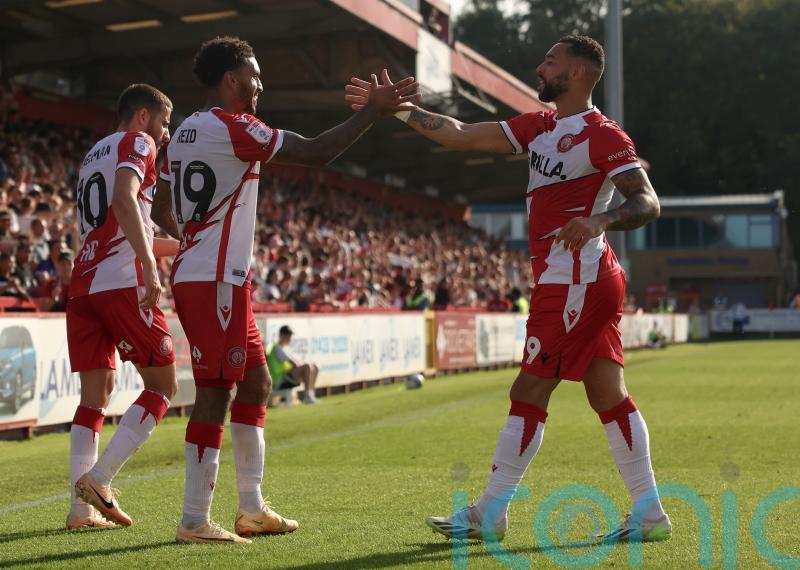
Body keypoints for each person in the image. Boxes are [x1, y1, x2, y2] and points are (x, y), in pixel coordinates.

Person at [347, 36, 670, 543]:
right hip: (576, 280)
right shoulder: (539, 126)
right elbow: (461, 134)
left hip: (575, 281)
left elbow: (648, 203)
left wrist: (598, 219)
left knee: (529, 391)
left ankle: (490, 513)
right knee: (608, 395)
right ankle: (649, 513)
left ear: (581, 73)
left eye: (550, 61)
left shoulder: (603, 135)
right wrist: (402, 112)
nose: (539, 68)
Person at [151, 36, 418, 544]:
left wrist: (195, 232)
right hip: (215, 280)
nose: (259, 85)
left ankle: (251, 508)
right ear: (230, 79)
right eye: (253, 76)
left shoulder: (184, 129)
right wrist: (373, 113)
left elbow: (164, 203)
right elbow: (317, 151)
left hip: (215, 275)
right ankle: (193, 519)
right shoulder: (233, 126)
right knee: (216, 392)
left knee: (256, 385)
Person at [65, 84, 179, 531]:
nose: (166, 134)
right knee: (163, 384)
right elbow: (124, 200)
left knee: (95, 397)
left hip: (85, 284)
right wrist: (150, 267)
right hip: (121, 283)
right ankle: (100, 479)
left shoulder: (93, 154)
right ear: (144, 117)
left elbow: (120, 224)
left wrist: (180, 247)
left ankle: (80, 511)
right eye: (165, 123)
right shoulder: (139, 142)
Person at [267, 325, 320, 404]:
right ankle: (307, 396)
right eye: (287, 335)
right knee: (307, 367)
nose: (290, 338)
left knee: (315, 367)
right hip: (279, 381)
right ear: (281, 335)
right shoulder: (277, 348)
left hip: (286, 377)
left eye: (290, 336)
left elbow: (296, 363)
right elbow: (294, 364)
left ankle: (310, 395)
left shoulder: (285, 348)